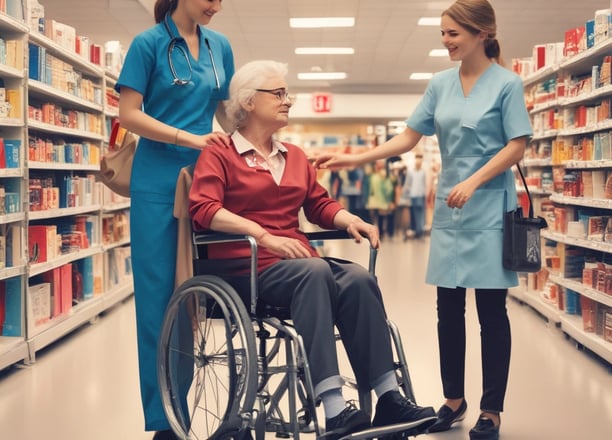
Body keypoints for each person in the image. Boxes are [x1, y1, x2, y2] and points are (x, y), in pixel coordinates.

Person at [314, 1, 533, 439]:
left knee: (491, 311)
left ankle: (492, 410)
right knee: (447, 308)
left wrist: (473, 181)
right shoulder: (440, 84)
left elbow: (517, 145)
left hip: (489, 204)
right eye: (443, 34)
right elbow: (407, 138)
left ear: (482, 33)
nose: (447, 41)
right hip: (452, 211)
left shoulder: (507, 85)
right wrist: (351, 158)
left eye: (454, 33)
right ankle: (454, 399)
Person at [188, 60, 436, 440]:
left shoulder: (296, 156)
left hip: (294, 263)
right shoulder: (220, 154)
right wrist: (263, 235)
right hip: (243, 266)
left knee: (356, 277)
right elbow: (203, 209)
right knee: (315, 271)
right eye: (279, 94)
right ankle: (334, 407)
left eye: (288, 94)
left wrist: (349, 219)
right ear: (249, 102)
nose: (288, 101)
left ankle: (388, 396)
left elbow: (317, 204)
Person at [114, 0, 235, 438]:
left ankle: (216, 406)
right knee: (160, 300)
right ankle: (166, 418)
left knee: (197, 299)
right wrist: (190, 138)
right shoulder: (148, 44)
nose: (217, 7)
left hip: (206, 179)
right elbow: (129, 114)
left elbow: (224, 111)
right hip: (157, 185)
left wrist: (255, 131)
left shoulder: (220, 45)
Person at [406, 153, 427, 239]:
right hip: (413, 195)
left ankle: (420, 230)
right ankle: (417, 230)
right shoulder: (411, 172)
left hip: (421, 195)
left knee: (421, 214)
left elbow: (424, 183)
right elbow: (408, 184)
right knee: (415, 214)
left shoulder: (423, 172)